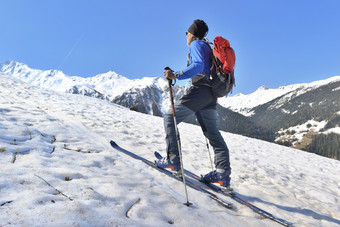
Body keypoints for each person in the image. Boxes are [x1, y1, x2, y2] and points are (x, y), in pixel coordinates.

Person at [156, 19, 231, 188]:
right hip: (211, 94)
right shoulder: (207, 46)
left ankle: (172, 159)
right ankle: (222, 173)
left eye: (187, 32)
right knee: (213, 134)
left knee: (169, 118)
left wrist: (175, 75)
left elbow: (197, 66)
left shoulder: (196, 44)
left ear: (193, 33)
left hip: (200, 91)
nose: (186, 36)